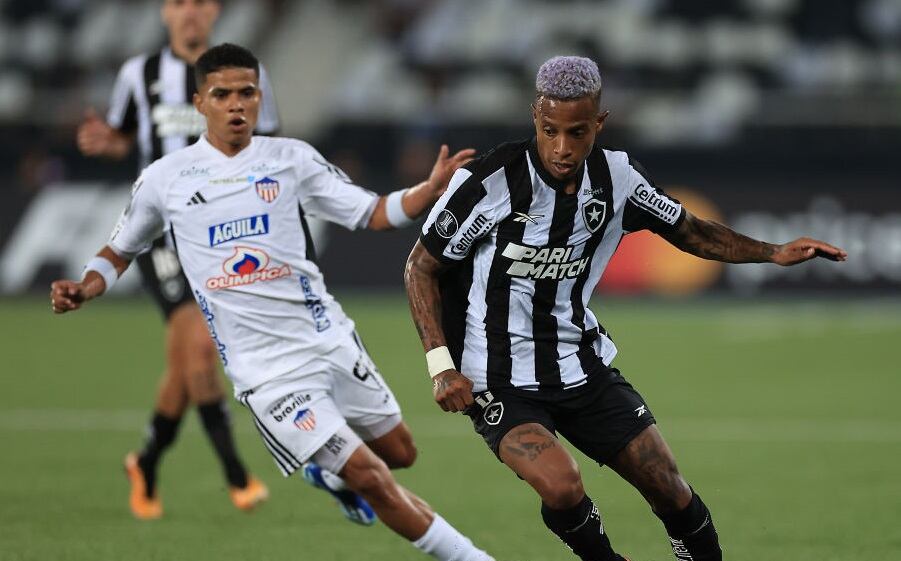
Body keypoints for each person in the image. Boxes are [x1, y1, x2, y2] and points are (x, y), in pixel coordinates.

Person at [52, 43, 494, 561]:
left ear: (260, 97)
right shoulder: (165, 179)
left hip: (328, 339)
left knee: (400, 453)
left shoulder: (292, 159)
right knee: (369, 477)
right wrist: (85, 284)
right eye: (223, 95)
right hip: (267, 375)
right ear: (200, 103)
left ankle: (323, 473)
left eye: (247, 92)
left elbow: (373, 212)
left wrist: (430, 188)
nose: (237, 104)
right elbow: (119, 249)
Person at [404, 55, 848, 561]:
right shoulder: (488, 182)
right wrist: (441, 366)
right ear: (534, 117)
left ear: (599, 122)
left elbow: (691, 232)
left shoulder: (619, 179)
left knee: (669, 487)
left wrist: (773, 252)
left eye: (577, 132)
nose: (562, 148)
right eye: (550, 130)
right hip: (495, 374)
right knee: (562, 485)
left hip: (580, 363)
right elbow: (420, 268)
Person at [75, 0, 279, 519]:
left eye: (201, 4)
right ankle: (236, 475)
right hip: (162, 231)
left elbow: (269, 141)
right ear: (166, 13)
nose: (190, 13)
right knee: (201, 351)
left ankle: (144, 461)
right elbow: (127, 135)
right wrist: (109, 142)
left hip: (224, 235)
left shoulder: (245, 73)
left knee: (185, 365)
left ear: (215, 13)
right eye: (180, 4)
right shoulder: (138, 73)